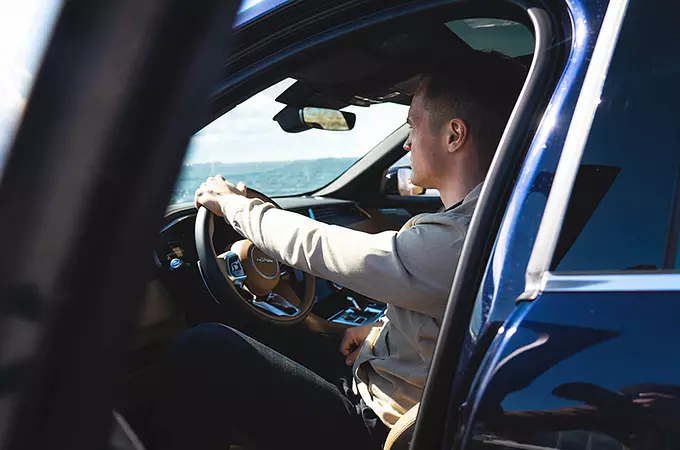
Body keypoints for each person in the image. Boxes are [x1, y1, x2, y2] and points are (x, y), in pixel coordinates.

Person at [156, 51, 527, 450]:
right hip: (389, 383)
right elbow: (445, 318)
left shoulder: (457, 238)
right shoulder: (505, 214)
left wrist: (235, 206)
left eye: (412, 127)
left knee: (204, 348)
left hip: (375, 426)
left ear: (454, 135)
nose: (406, 145)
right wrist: (382, 332)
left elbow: (323, 248)